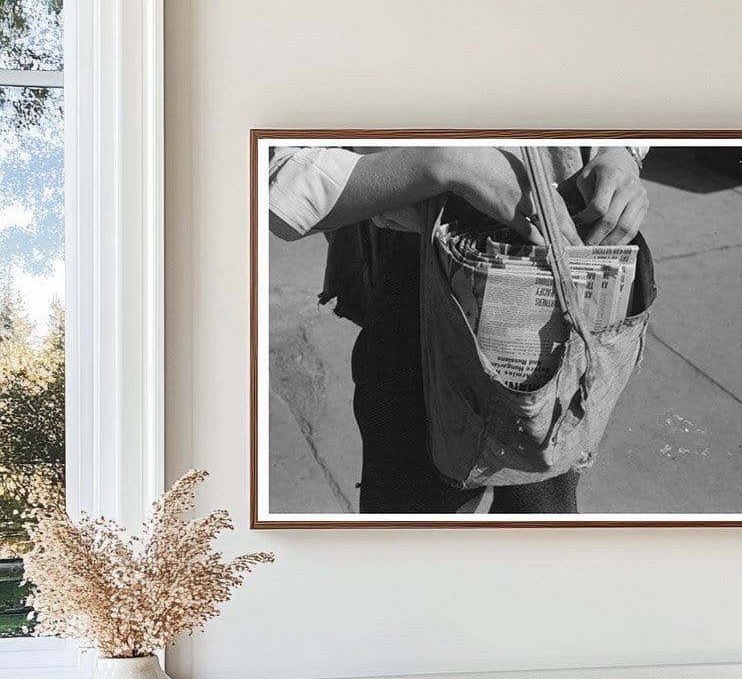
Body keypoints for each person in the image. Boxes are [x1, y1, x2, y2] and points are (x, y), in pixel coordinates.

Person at [269, 144, 649, 515]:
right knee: (413, 533)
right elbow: (280, 176)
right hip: (421, 294)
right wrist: (448, 161)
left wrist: (619, 153)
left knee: (543, 514)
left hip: (564, 277)